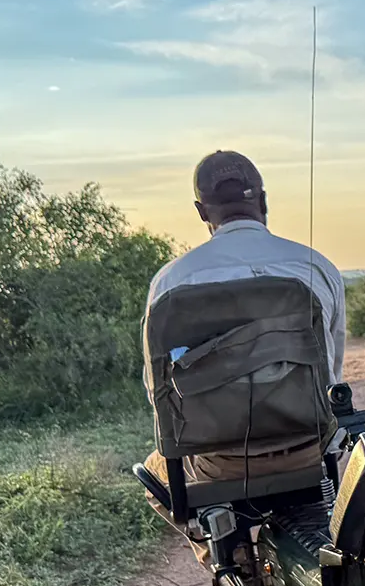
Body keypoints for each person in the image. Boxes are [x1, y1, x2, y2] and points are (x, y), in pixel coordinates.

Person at [142, 149, 347, 485]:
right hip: (312, 449)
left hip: (220, 462)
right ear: (263, 201)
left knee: (153, 474)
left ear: (200, 211)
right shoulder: (315, 266)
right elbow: (331, 369)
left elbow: (159, 390)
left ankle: (212, 537)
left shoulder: (173, 280)